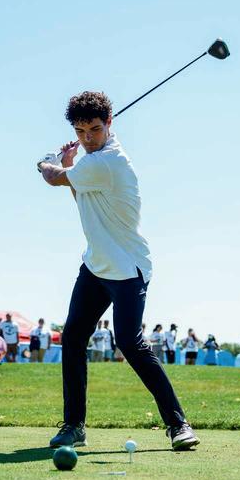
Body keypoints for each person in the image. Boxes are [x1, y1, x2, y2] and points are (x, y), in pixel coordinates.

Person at [38, 91, 198, 450]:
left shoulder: (110, 162)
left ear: (109, 123)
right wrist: (69, 164)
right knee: (73, 338)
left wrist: (48, 161)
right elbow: (81, 197)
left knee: (129, 342)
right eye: (80, 132)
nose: (88, 138)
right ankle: (73, 425)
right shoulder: (89, 165)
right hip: (96, 266)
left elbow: (52, 177)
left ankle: (178, 424)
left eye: (95, 129)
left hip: (127, 267)